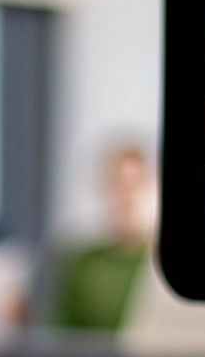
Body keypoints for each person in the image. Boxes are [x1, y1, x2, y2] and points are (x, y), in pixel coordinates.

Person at [52, 141, 156, 333]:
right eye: (118, 185)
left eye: (136, 185)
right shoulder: (84, 265)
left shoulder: (162, 265)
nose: (127, 197)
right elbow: (63, 337)